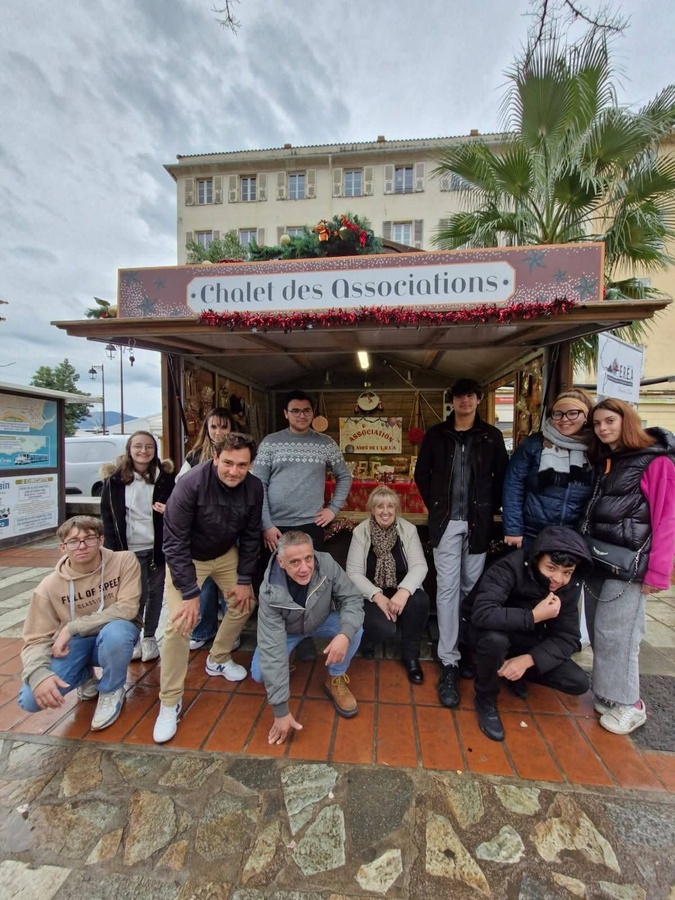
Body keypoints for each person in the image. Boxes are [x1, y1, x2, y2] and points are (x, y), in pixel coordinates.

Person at [153, 432, 263, 743]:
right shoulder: (191, 484)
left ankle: (218, 657)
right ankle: (169, 702)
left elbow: (253, 534)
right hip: (189, 557)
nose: (234, 471)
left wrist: (244, 580)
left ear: (250, 464)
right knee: (179, 625)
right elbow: (172, 542)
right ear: (215, 458)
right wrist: (190, 594)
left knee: (245, 603)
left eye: (242, 465)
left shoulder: (254, 487)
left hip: (226, 554)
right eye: (228, 463)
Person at [582, 398, 675, 735]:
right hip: (600, 558)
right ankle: (609, 693)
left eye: (610, 421)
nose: (603, 428)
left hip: (630, 562)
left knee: (618, 634)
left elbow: (667, 519)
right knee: (598, 629)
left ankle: (631, 704)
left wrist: (659, 572)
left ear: (627, 421)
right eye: (597, 424)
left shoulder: (656, 461)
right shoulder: (609, 460)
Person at [415, 378, 508, 709]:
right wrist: (438, 507)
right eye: (459, 396)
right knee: (447, 589)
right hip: (446, 524)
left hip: (479, 524)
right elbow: (421, 475)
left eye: (470, 395)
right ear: (451, 401)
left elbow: (503, 477)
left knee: (471, 588)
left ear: (478, 400)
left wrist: (488, 510)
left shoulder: (491, 436)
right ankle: (449, 660)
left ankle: (468, 648)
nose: (465, 401)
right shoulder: (436, 435)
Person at [464, 525, 591, 741]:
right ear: (536, 560)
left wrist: (529, 660)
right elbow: (482, 614)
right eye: (551, 568)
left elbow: (568, 637)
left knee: (578, 681)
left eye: (566, 572)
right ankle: (485, 698)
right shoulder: (508, 567)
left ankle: (514, 670)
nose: (558, 579)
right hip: (488, 633)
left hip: (527, 641)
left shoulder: (567, 587)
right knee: (494, 641)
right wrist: (533, 617)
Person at [18, 516, 142, 731]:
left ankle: (111, 689)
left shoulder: (124, 561)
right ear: (62, 547)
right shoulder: (49, 586)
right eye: (73, 541)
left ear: (101, 539)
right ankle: (85, 675)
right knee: (30, 699)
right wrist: (38, 674)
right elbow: (35, 638)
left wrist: (71, 627)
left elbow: (128, 608)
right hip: (78, 643)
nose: (82, 546)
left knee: (117, 632)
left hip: (114, 638)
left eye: (89, 538)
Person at [252, 530, 365, 745]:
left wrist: (344, 634)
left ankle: (335, 677)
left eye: (308, 558)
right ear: (281, 562)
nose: (304, 568)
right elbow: (271, 646)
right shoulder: (269, 592)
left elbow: (352, 598)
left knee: (355, 629)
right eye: (294, 562)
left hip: (322, 620)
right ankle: (288, 657)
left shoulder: (327, 563)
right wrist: (281, 711)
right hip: (287, 632)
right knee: (260, 673)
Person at [100, 430, 175, 663]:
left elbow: (178, 509)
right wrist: (113, 553)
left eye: (149, 447)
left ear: (155, 451)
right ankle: (132, 639)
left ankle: (150, 637)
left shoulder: (165, 477)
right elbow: (108, 517)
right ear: (129, 450)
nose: (144, 451)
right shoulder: (114, 480)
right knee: (135, 597)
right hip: (128, 550)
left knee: (156, 593)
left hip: (157, 548)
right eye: (138, 446)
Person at [346, 485, 430, 683]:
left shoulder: (408, 530)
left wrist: (404, 591)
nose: (385, 511)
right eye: (379, 506)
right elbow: (353, 573)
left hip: (400, 590)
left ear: (397, 509)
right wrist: (377, 595)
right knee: (385, 628)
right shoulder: (361, 532)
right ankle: (368, 639)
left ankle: (410, 656)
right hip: (371, 595)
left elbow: (420, 566)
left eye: (390, 506)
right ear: (372, 510)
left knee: (420, 601)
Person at [252, 390, 352, 553]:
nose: (302, 415)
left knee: (309, 575)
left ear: (312, 413)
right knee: (276, 575)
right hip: (275, 528)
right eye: (295, 411)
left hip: (312, 525)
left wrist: (333, 508)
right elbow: (258, 484)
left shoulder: (325, 443)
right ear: (286, 413)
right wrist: (266, 524)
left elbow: (344, 476)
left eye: (306, 410)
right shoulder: (270, 442)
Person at [502, 389, 595, 549]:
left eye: (573, 413)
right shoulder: (534, 444)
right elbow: (513, 485)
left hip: (574, 535)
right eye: (558, 413)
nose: (564, 419)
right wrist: (513, 529)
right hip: (531, 533)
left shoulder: (594, 448)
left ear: (586, 416)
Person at [176, 407, 236, 651]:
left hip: (232, 530)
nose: (219, 431)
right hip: (202, 532)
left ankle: (229, 633)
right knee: (206, 586)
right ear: (207, 429)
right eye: (214, 426)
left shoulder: (240, 453)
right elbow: (180, 487)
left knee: (229, 587)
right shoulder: (195, 455)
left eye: (224, 426)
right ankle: (204, 630)